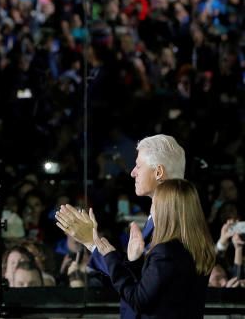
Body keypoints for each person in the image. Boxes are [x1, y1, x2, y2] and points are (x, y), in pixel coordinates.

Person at [56, 134, 185, 318]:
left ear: (158, 172)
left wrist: (92, 242)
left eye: (138, 166)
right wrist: (93, 243)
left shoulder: (173, 228)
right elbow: (136, 281)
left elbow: (140, 296)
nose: (132, 172)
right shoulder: (157, 220)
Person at [90, 179, 213, 318]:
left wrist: (110, 257)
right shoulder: (201, 248)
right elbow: (160, 290)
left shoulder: (165, 252)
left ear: (165, 211)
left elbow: (138, 300)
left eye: (154, 204)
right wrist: (134, 261)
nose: (151, 210)